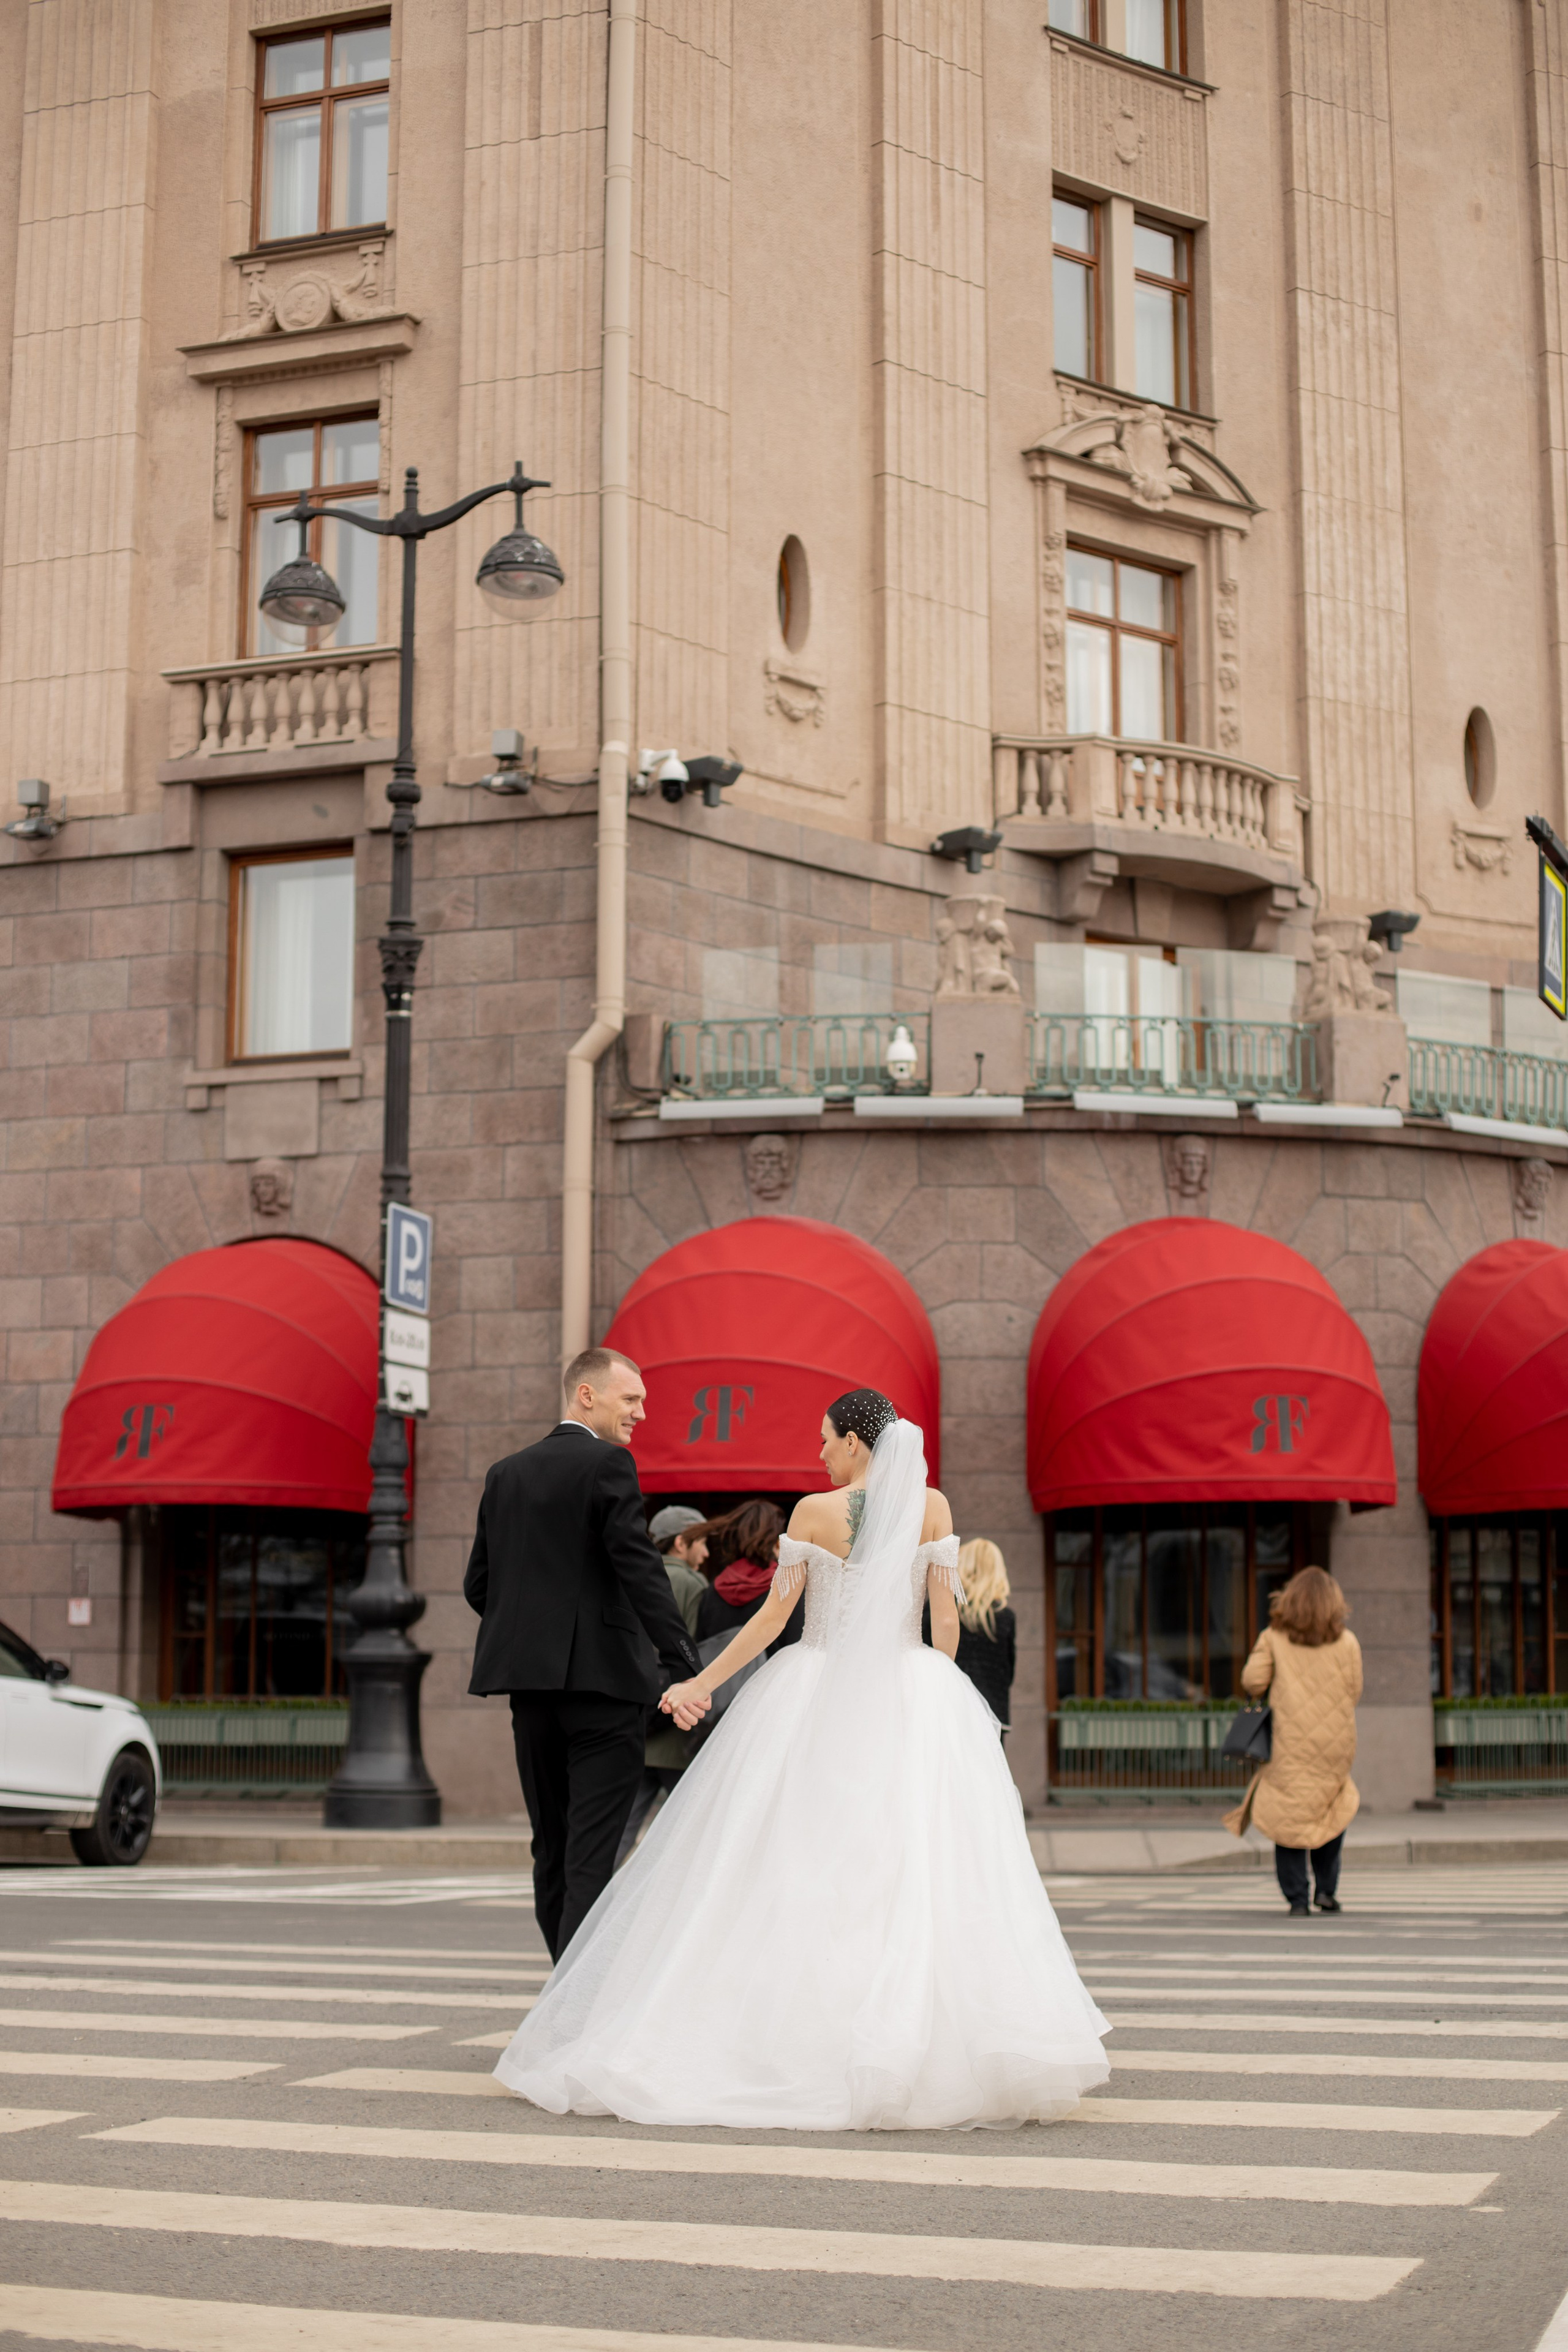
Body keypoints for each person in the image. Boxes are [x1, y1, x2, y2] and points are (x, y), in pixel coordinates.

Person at [493, 1389, 1110, 2130]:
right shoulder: (933, 1506)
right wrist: (936, 1693)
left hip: (815, 1688)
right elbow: (944, 1622)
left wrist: (701, 1680)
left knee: (790, 1860)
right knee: (916, 1867)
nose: (816, 1452)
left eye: (823, 1438)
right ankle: (925, 2047)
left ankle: (780, 2035)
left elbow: (771, 1623)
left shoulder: (814, 1513)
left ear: (854, 1441)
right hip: (908, 1685)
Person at [463, 1347, 706, 1962]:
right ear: (587, 1395)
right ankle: (571, 2010)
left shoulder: (504, 1474)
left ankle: (562, 1994)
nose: (642, 1414)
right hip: (605, 1694)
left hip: (531, 1692)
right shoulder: (607, 1464)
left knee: (552, 1847)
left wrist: (531, 1632)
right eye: (632, 1400)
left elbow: (478, 1587)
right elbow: (640, 1571)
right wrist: (685, 1662)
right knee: (592, 1854)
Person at [1222, 1566, 1363, 1916]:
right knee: (1330, 1810)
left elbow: (1253, 1682)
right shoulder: (1348, 1642)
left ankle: (1298, 1899)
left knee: (1289, 1816)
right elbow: (1355, 1690)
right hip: (1335, 1744)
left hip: (1290, 1743)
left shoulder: (1273, 1637)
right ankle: (1327, 1891)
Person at [613, 1506, 710, 1867]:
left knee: (621, 1832)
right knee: (687, 1832)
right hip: (676, 1729)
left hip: (637, 1721)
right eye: (702, 1542)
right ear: (682, 1542)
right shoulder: (693, 1585)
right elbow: (701, 1650)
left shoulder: (632, 1577)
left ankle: (596, 1906)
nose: (706, 1553)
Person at [923, 1537, 1016, 1736]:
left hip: (947, 1709)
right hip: (993, 1716)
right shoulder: (1005, 1617)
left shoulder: (940, 1611)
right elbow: (1008, 1672)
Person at [695, 1499, 799, 1653]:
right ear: (776, 1541)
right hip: (773, 1676)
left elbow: (703, 1645)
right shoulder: (787, 1588)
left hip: (725, 1677)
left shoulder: (713, 1591)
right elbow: (795, 1645)